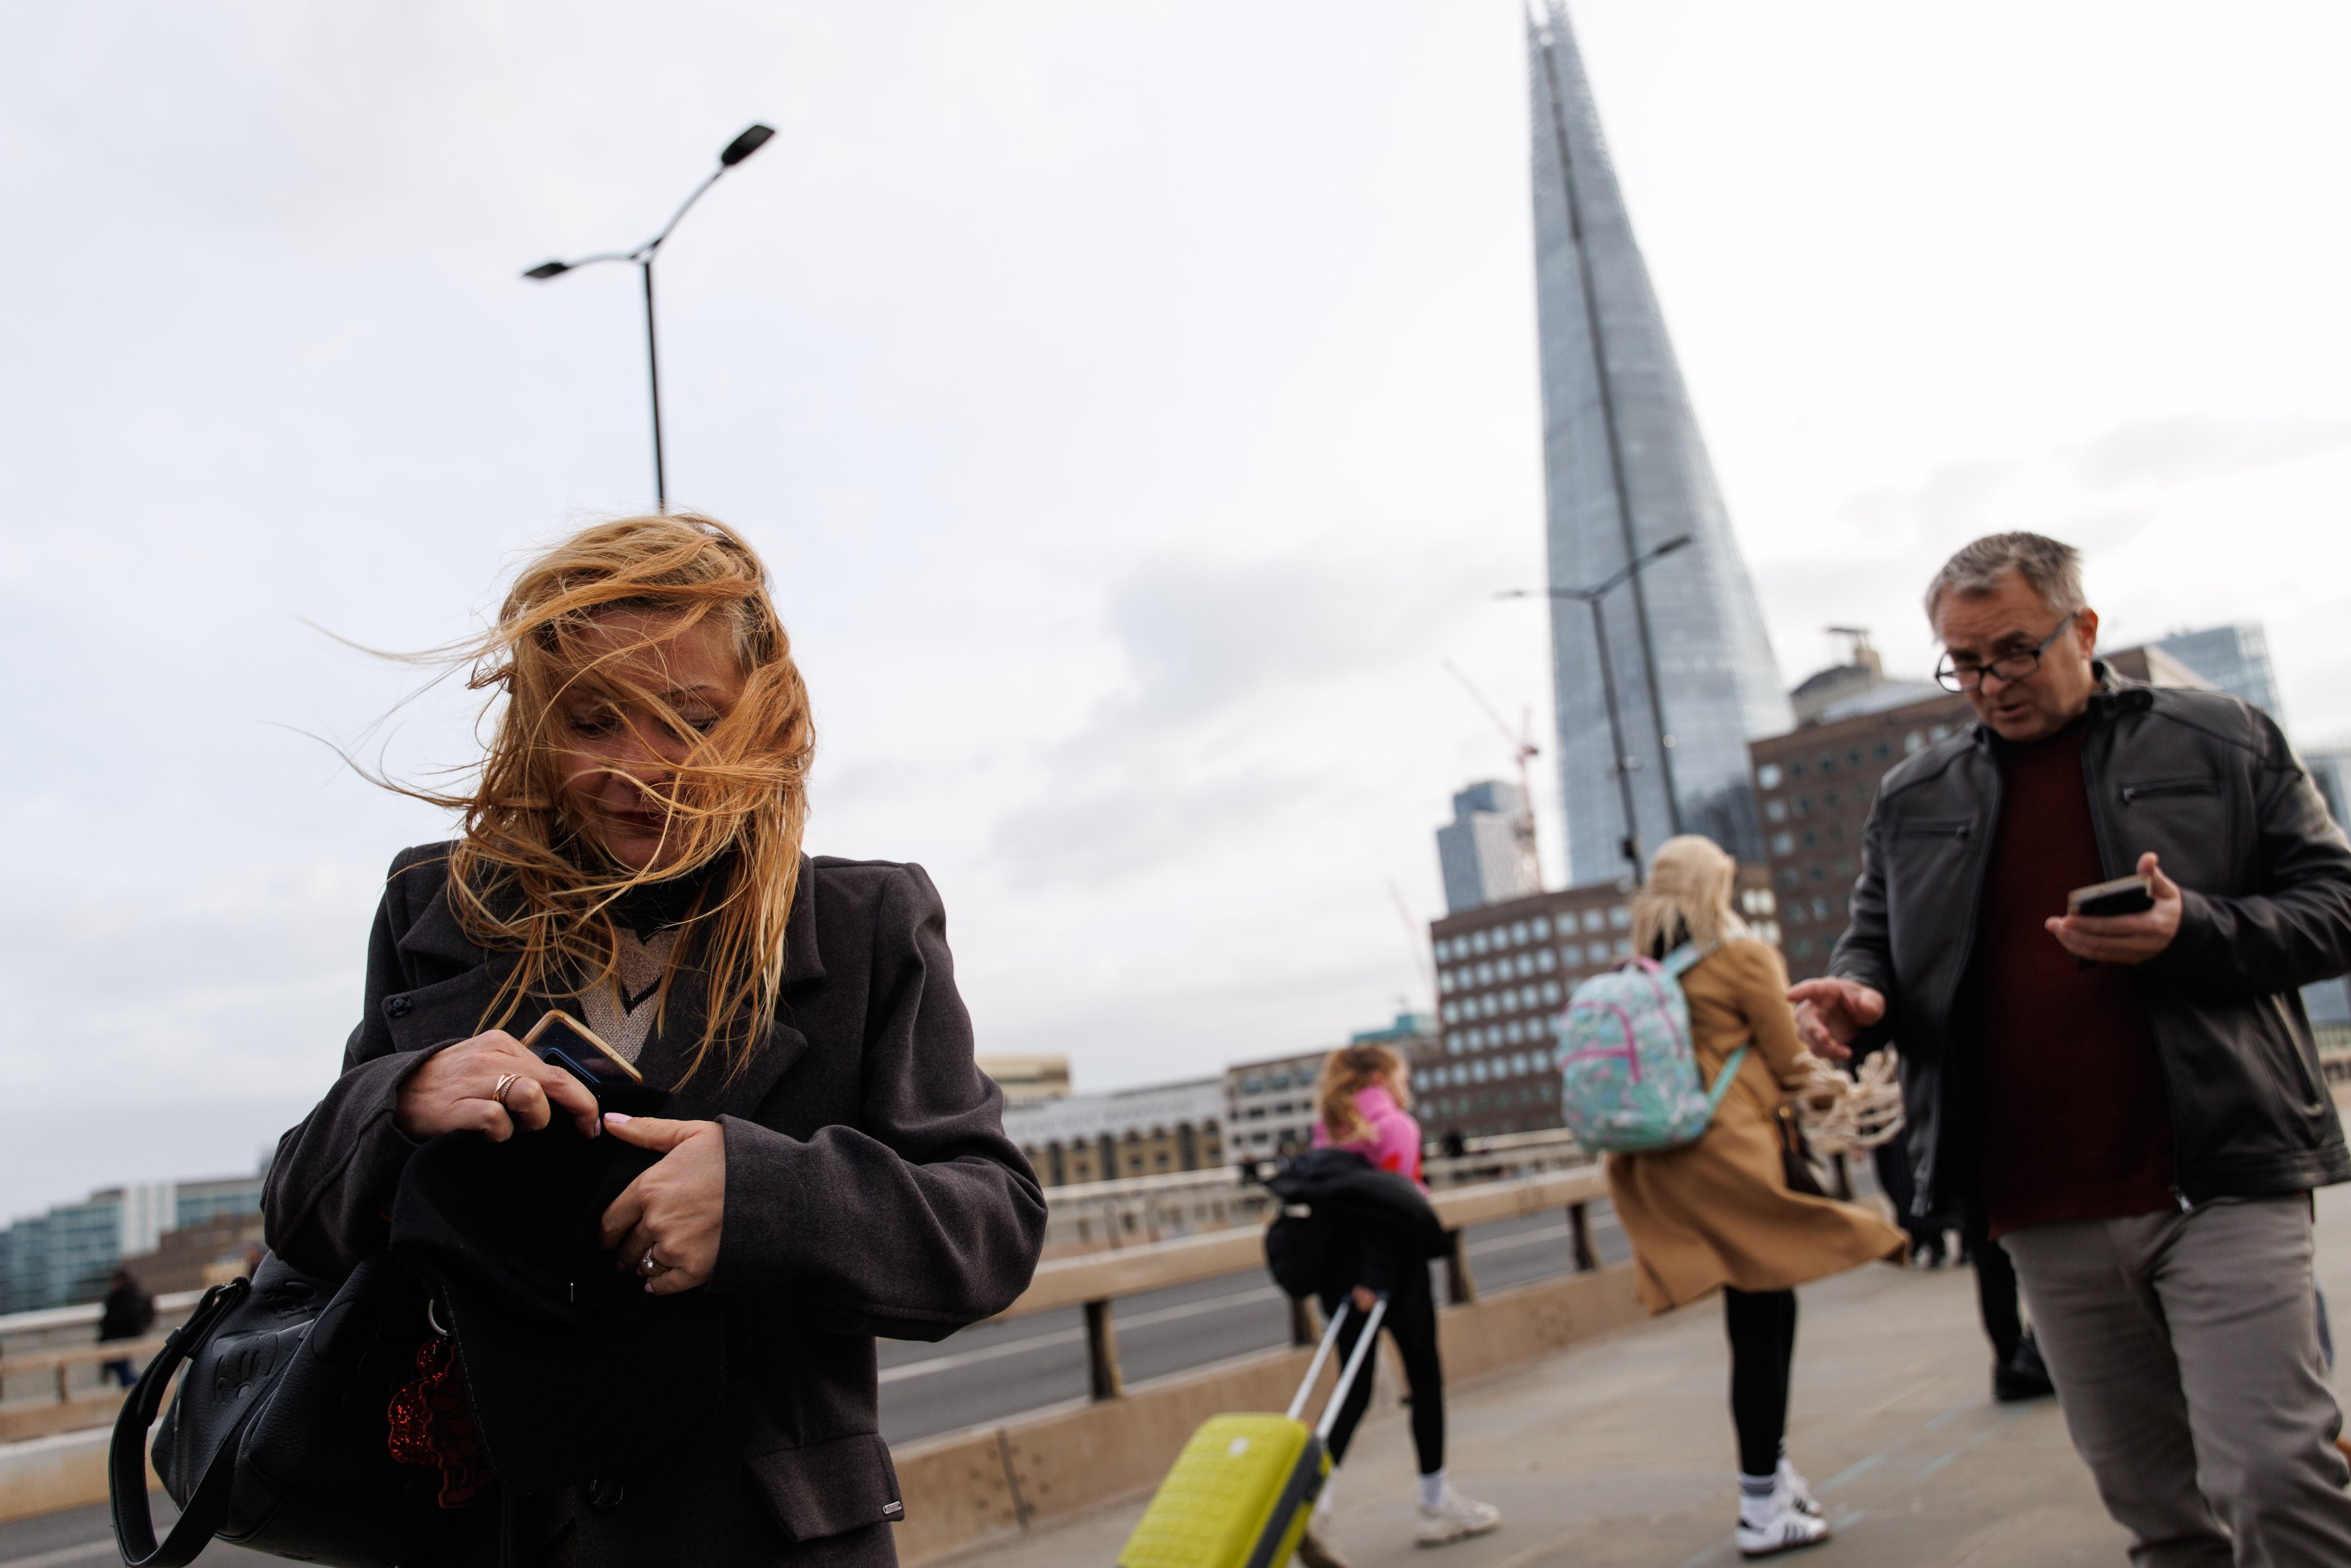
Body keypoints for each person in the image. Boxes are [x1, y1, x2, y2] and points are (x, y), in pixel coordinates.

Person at [263, 514, 1047, 1566]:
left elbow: (991, 1229)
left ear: (761, 725)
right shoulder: (432, 907)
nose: (648, 770)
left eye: (692, 719)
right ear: (538, 730)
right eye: (596, 720)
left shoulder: (865, 926)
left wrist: (768, 1198)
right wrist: (399, 1099)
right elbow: (297, 1219)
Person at [1791, 531, 2351, 1566]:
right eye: (1964, 663)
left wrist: (2194, 930)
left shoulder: (2221, 739)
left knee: (2275, 1470)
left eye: (2013, 651)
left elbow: (2336, 907)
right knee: (2155, 1507)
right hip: (2040, 1202)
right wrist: (1855, 997)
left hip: (2221, 1171)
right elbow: (1873, 942)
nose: (1989, 682)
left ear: (2082, 628)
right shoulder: (1914, 797)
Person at [1604, 835, 1904, 1559]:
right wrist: (1849, 1090)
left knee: (1762, 1310)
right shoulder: (1740, 957)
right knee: (1762, 1320)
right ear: (1717, 890)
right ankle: (1760, 1502)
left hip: (1671, 1166)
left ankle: (1772, 1470)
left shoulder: (1641, 974)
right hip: (1736, 1160)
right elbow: (1787, 1062)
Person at [1290, 1043, 1499, 1567]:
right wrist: (1376, 1278)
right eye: (1403, 1076)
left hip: (1338, 1275)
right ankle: (1436, 1505)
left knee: (1353, 1390)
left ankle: (1317, 1501)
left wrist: (1353, 1278)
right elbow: (1395, 1211)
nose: (1407, 1086)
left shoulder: (1329, 1127)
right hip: (1392, 1273)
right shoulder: (1396, 1127)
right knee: (1424, 1381)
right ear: (1383, 1076)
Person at [96, 1267, 155, 1387]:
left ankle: (140, 1387)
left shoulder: (129, 1296)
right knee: (121, 1368)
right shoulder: (120, 1296)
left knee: (123, 1369)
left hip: (124, 1339)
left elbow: (128, 1318)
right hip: (117, 1340)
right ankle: (140, 1387)